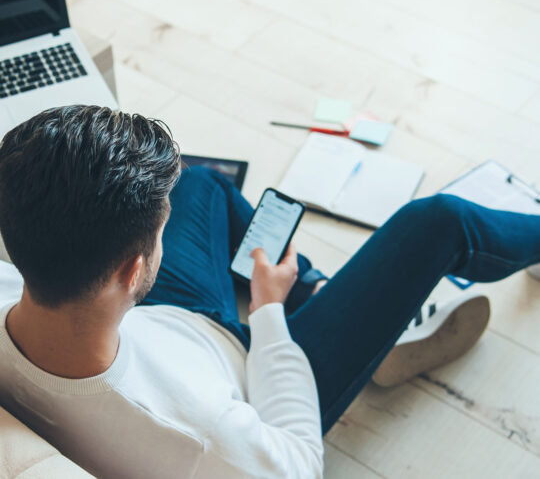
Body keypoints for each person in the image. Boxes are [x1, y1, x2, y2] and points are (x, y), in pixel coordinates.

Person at [0, 106, 538, 479]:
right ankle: (323, 302)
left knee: (198, 182)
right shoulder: (202, 435)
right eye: (157, 237)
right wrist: (268, 315)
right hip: (257, 370)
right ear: (132, 269)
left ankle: (322, 294)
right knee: (439, 221)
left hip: (157, 323)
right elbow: (302, 460)